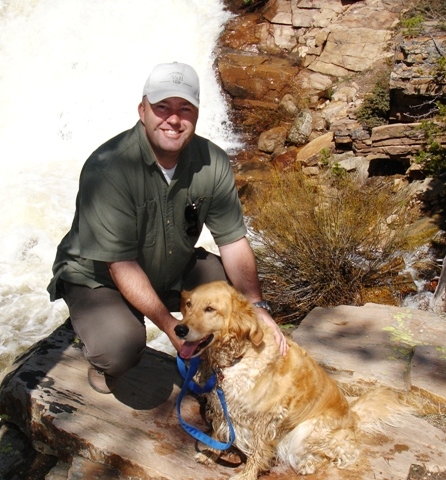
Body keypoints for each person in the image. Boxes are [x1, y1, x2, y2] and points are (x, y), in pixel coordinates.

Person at [47, 62, 288, 394]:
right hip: (99, 277)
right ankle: (94, 337)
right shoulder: (108, 168)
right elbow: (121, 265)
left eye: (184, 108)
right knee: (119, 350)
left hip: (170, 263)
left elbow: (233, 242)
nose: (174, 119)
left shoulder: (213, 162)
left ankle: (219, 364)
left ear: (198, 114)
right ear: (142, 110)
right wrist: (172, 327)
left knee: (233, 301)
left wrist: (257, 308)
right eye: (162, 107)